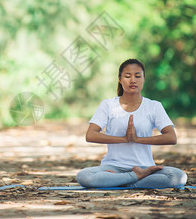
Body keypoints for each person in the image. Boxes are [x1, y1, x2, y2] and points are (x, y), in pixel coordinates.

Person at [76, 58, 187, 189]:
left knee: (178, 177)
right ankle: (135, 178)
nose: (133, 80)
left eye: (137, 76)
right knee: (84, 176)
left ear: (143, 79)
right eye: (127, 76)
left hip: (145, 167)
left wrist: (137, 139)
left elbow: (171, 137)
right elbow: (91, 135)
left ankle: (120, 181)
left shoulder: (154, 106)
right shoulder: (108, 105)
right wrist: (124, 139)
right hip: (113, 167)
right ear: (119, 79)